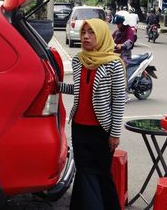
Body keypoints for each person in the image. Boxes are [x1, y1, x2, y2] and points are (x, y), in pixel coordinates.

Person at [58, 18, 125, 210]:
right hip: (79, 128)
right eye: (83, 32)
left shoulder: (114, 64)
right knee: (85, 171)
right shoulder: (79, 60)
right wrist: (57, 86)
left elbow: (119, 100)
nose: (86, 36)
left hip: (101, 131)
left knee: (101, 172)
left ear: (102, 34)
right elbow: (80, 89)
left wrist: (114, 134)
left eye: (91, 32)